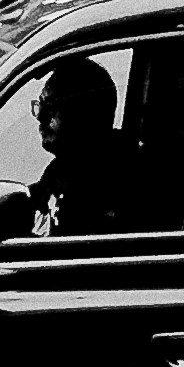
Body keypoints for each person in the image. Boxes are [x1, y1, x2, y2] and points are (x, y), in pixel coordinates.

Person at [29, 58, 145, 238]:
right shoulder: (62, 169)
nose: (40, 119)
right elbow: (20, 205)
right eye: (39, 107)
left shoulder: (116, 178)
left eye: (50, 108)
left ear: (84, 114)